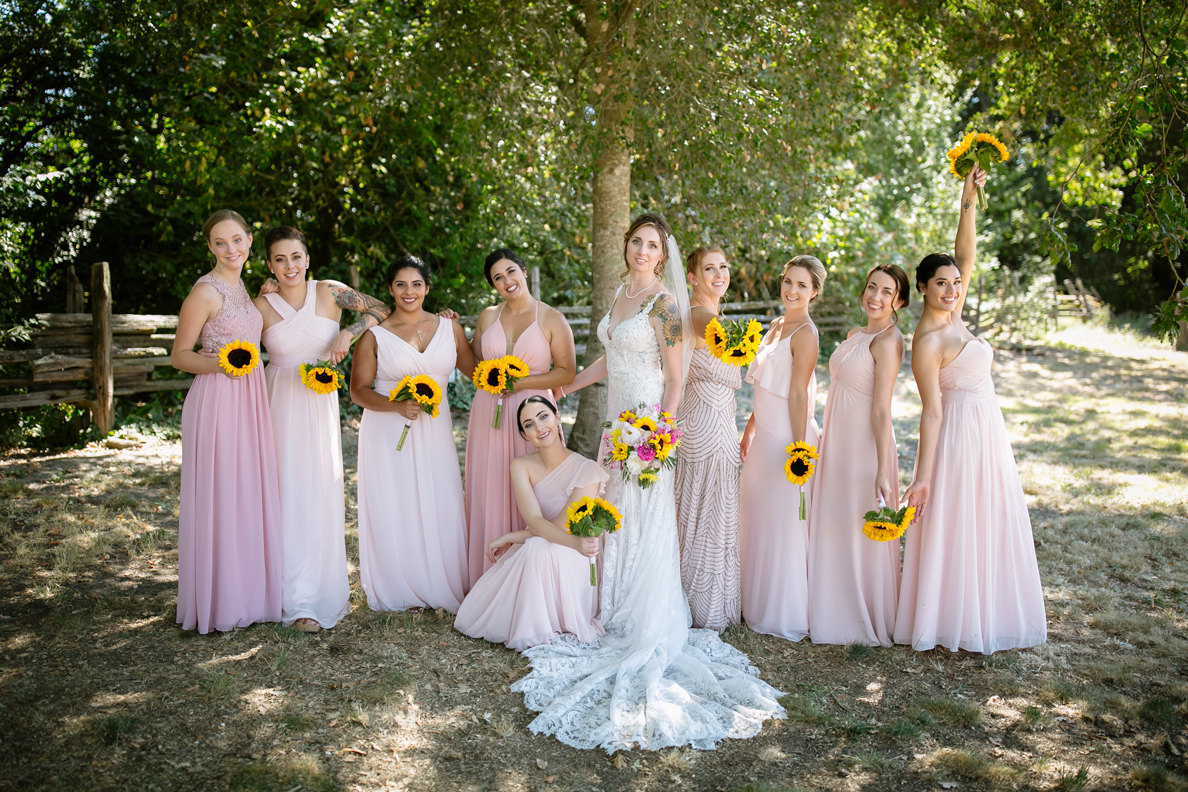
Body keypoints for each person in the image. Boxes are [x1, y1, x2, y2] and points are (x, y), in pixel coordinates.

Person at [510, 213, 784, 753]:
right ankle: (608, 608)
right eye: (634, 241)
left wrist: (659, 434)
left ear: (662, 255)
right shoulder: (620, 296)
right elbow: (611, 358)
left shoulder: (664, 304)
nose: (641, 250)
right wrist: (571, 387)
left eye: (651, 245)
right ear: (627, 247)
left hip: (647, 430)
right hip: (616, 427)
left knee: (645, 521)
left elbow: (676, 376)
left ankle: (641, 616)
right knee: (616, 516)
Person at [895, 166, 1047, 654]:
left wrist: (968, 195)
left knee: (987, 518)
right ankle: (949, 619)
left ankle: (985, 609)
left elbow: (966, 252)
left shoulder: (955, 315)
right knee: (957, 522)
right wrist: (921, 476)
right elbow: (931, 412)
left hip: (989, 429)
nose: (952, 289)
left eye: (956, 283)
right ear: (923, 288)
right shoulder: (927, 340)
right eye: (941, 284)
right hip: (957, 434)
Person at [253, 225, 391, 633]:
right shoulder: (260, 306)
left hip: (318, 403)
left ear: (307, 259)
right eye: (280, 259)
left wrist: (349, 332)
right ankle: (288, 598)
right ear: (269, 265)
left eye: (295, 257)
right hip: (276, 402)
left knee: (318, 490)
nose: (289, 265)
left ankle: (317, 592)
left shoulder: (330, 292)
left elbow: (381, 307)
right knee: (283, 492)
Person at [171, 210, 281, 633]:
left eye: (237, 240)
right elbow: (179, 354)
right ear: (210, 248)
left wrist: (265, 292)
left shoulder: (241, 290)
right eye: (220, 243)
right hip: (218, 398)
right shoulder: (205, 291)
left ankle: (248, 594)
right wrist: (222, 365)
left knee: (245, 493)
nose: (230, 249)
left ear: (250, 241)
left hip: (251, 399)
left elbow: (250, 325)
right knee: (222, 494)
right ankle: (220, 602)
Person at [349, 255, 477, 613]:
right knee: (398, 503)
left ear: (427, 288)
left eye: (416, 284)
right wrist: (394, 404)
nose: (409, 291)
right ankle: (403, 590)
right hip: (390, 430)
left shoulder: (448, 327)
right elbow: (358, 390)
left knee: (442, 501)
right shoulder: (374, 336)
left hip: (435, 430)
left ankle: (442, 581)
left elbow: (476, 371)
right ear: (390, 289)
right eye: (401, 284)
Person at [806, 264, 908, 646]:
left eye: (886, 292)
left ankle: (861, 615)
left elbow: (882, 409)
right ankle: (832, 607)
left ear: (898, 300)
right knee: (835, 519)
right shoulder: (855, 335)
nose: (875, 297)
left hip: (866, 444)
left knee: (859, 524)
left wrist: (883, 467)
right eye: (871, 288)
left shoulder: (888, 341)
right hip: (838, 439)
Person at [454, 396, 606, 650]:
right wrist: (516, 537)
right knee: (535, 549)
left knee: (536, 548)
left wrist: (512, 536)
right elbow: (535, 522)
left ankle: (537, 630)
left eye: (543, 417)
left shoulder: (587, 470)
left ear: (558, 417)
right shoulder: (521, 466)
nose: (539, 428)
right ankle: (531, 628)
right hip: (542, 542)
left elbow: (561, 526)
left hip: (574, 552)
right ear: (525, 435)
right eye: (529, 424)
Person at [464, 249, 576, 588]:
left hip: (533, 416)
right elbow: (470, 359)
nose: (506, 281)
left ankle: (530, 580)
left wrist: (521, 383)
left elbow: (567, 372)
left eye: (511, 271)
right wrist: (446, 326)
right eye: (497, 277)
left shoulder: (552, 318)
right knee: (491, 485)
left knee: (534, 488)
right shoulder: (487, 316)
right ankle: (488, 578)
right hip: (487, 412)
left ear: (524, 271)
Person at [738, 255, 825, 641]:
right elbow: (764, 384)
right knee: (756, 515)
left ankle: (781, 611)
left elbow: (797, 394)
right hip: (763, 434)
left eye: (801, 285)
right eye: (788, 281)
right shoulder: (776, 325)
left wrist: (799, 448)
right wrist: (750, 428)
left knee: (783, 522)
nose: (792, 290)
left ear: (815, 292)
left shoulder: (806, 333)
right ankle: (752, 601)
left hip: (787, 438)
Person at [674, 246, 742, 631]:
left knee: (698, 511)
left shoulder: (712, 315)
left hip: (714, 421)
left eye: (724, 267)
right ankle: (703, 607)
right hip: (707, 427)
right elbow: (721, 345)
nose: (719, 274)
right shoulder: (703, 316)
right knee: (707, 512)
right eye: (709, 269)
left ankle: (694, 598)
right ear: (693, 277)